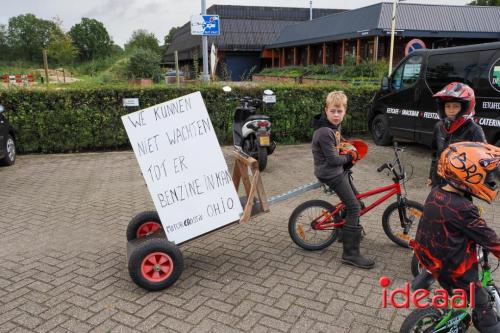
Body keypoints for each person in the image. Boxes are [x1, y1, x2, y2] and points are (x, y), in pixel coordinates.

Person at [413, 141, 500, 333]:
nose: (489, 179)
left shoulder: (436, 192)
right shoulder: (464, 208)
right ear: (468, 174)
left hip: (429, 256)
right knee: (483, 305)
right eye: (486, 174)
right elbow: (491, 240)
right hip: (454, 269)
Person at [311, 91, 374, 269]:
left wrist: (348, 146)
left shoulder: (332, 127)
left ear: (345, 111)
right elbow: (332, 159)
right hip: (330, 172)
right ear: (326, 110)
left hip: (337, 170)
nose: (336, 115)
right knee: (354, 207)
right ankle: (350, 254)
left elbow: (338, 144)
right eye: (333, 111)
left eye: (340, 111)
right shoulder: (324, 132)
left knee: (356, 201)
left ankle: (343, 232)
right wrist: (351, 156)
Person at [428, 82, 486, 187]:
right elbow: (435, 155)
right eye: (447, 106)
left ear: (464, 107)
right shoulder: (439, 127)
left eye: (455, 106)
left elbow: (485, 159)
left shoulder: (474, 130)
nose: (451, 110)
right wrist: (431, 176)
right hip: (439, 181)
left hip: (460, 185)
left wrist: (488, 183)